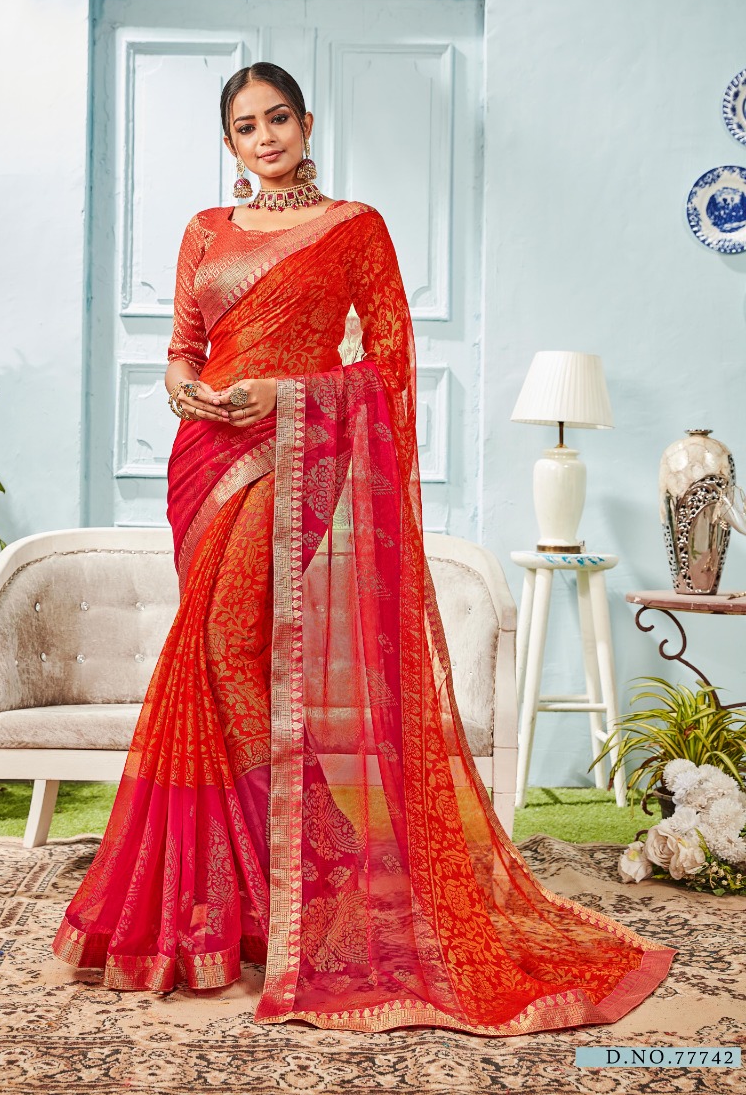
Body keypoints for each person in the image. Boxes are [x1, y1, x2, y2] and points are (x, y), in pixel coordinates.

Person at [52, 62, 677, 1034]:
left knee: (223, 648)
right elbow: (183, 342)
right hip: (203, 456)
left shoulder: (355, 227)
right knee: (221, 667)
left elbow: (387, 365)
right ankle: (250, 900)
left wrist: (287, 395)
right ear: (229, 141)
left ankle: (304, 870)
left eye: (278, 118)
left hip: (290, 452)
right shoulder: (205, 231)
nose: (264, 137)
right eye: (246, 125)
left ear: (307, 123)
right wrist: (181, 384)